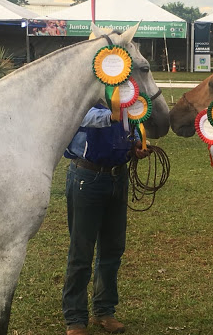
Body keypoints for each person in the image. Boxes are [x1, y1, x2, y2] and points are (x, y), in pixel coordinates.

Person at [62, 103, 150, 335]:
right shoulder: (89, 87)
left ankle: (104, 310)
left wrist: (134, 148)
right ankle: (75, 317)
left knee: (112, 249)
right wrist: (111, 115)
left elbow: (123, 130)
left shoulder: (127, 92)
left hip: (117, 176)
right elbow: (80, 115)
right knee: (81, 251)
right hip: (87, 176)